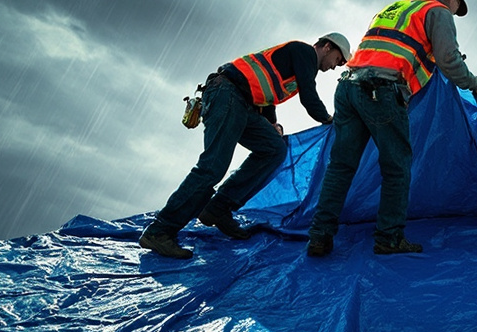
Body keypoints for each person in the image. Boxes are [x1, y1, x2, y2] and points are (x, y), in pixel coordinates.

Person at [307, 0, 477, 257]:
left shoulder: (395, 8)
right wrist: (474, 83)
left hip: (348, 87)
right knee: (397, 168)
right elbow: (448, 59)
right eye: (458, 5)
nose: (456, 11)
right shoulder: (438, 11)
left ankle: (319, 236)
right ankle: (389, 239)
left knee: (341, 166)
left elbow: (397, 49)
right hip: (380, 90)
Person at [138, 33, 353, 259]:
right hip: (227, 93)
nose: (335, 67)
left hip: (244, 103)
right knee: (212, 167)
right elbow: (309, 97)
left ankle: (218, 208)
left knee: (274, 148)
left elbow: (268, 92)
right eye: (338, 60)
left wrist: (271, 124)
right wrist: (329, 120)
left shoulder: (298, 62)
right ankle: (160, 230)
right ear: (327, 47)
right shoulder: (305, 53)